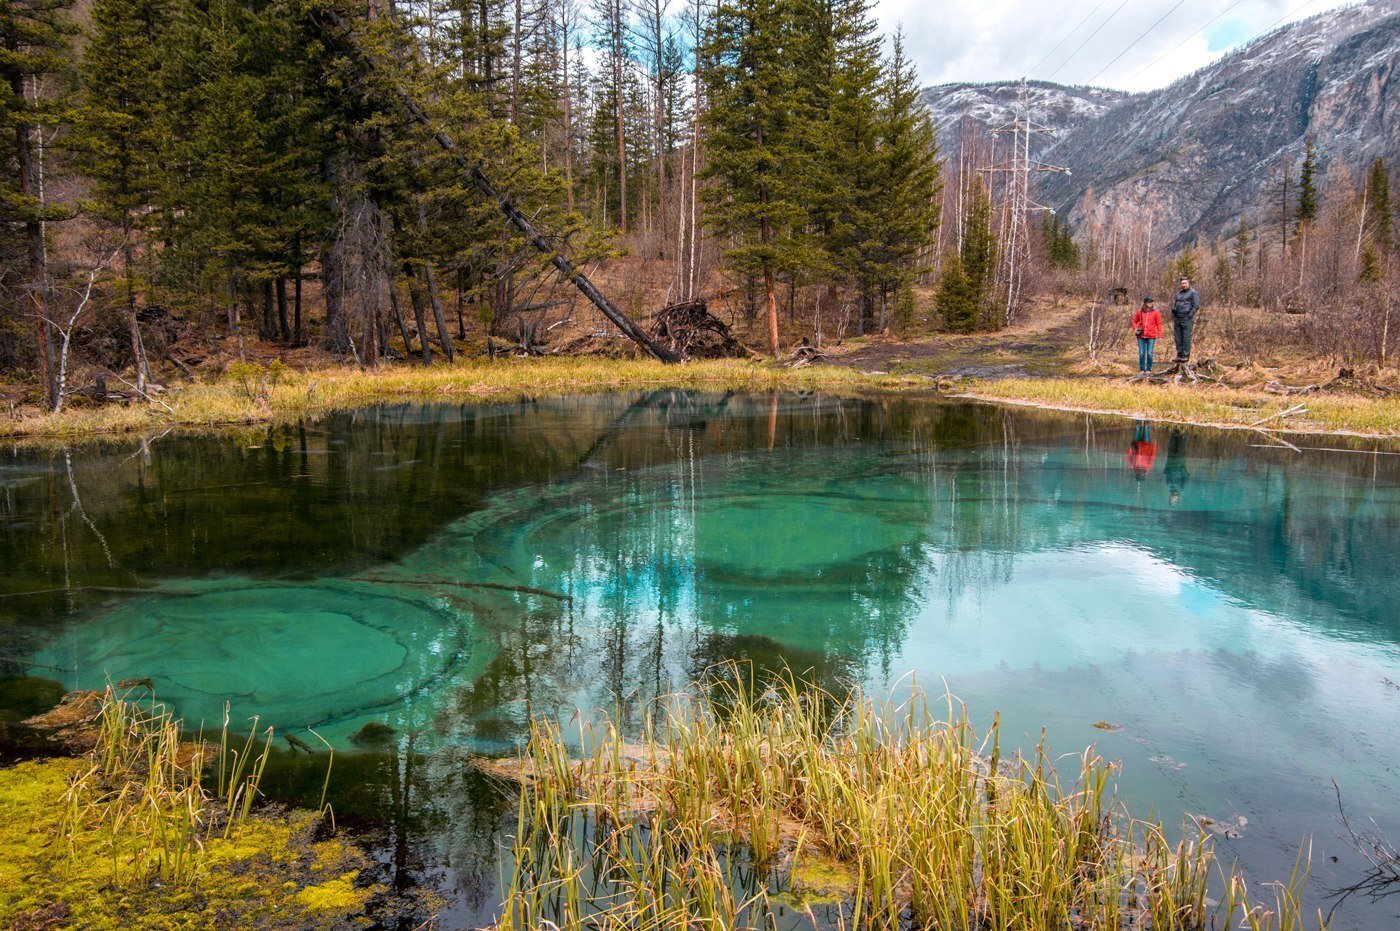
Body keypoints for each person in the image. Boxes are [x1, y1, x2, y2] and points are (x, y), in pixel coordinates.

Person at [1171, 277, 1200, 365]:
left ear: (1188, 283)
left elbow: (1196, 305)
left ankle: (1185, 356)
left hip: (1186, 318)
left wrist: (1189, 316)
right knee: (1178, 338)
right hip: (1177, 318)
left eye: (1185, 283)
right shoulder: (1179, 293)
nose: (1184, 285)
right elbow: (1176, 303)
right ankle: (1179, 355)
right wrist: (1174, 311)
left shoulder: (1193, 293)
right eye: (1182, 283)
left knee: (1186, 337)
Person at [1131, 297, 1163, 373]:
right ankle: (1142, 369)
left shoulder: (1156, 312)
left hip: (1151, 336)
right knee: (1142, 353)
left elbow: (1159, 324)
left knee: (1149, 353)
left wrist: (1160, 335)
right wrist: (1135, 329)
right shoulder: (1140, 312)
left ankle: (1149, 369)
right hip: (1141, 336)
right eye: (1149, 302)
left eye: (1151, 302)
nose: (1150, 304)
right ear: (1145, 303)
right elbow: (1134, 322)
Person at [1164, 428, 1190, 505]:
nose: (1173, 498)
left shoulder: (1169, 486)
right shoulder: (1181, 488)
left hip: (1171, 461)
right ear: (1177, 498)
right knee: (1181, 445)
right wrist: (1183, 468)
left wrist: (1166, 466)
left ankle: (1175, 430)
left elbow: (1166, 474)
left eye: (1172, 499)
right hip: (1180, 464)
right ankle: (1184, 430)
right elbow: (1186, 477)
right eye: (1174, 500)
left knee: (1172, 445)